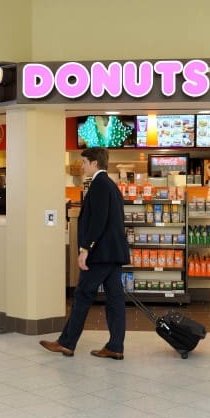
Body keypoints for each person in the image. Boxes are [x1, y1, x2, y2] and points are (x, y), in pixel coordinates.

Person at [40, 147, 130, 360]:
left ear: (94, 163)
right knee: (115, 300)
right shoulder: (111, 186)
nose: (81, 166)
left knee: (82, 295)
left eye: (84, 162)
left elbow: (98, 221)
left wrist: (85, 249)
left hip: (100, 254)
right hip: (114, 253)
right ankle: (116, 346)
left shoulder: (98, 185)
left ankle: (66, 343)